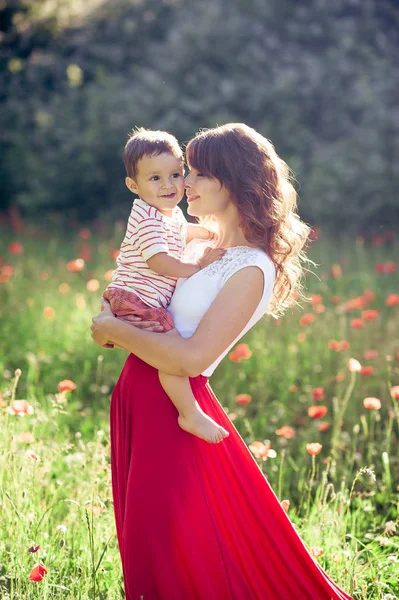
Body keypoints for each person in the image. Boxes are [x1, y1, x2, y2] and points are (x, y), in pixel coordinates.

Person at [91, 123, 353, 600]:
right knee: (145, 544)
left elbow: (192, 358)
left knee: (174, 551)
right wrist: (119, 313)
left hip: (174, 412)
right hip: (139, 397)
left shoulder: (251, 267)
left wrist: (114, 330)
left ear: (230, 181)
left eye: (197, 173)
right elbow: (142, 285)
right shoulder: (196, 245)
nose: (182, 183)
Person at [103, 128, 228, 443]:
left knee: (170, 348)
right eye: (154, 178)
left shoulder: (168, 215)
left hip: (138, 300)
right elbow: (159, 261)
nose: (169, 185)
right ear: (134, 185)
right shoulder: (146, 219)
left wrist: (208, 234)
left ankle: (189, 412)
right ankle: (189, 413)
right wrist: (196, 266)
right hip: (133, 300)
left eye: (175, 174)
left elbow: (181, 233)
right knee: (173, 351)